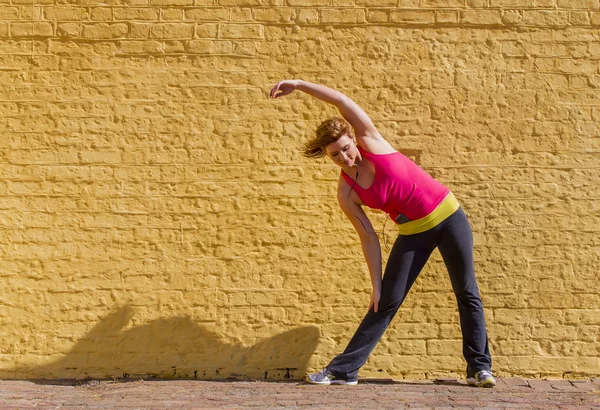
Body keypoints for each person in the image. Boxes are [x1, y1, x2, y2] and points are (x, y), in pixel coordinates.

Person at [269, 80, 495, 388]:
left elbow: (341, 99)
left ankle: (479, 369)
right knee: (385, 300)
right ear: (327, 156)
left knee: (466, 290)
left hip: (448, 216)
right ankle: (343, 371)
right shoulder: (347, 193)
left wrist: (298, 85)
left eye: (346, 149)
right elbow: (369, 238)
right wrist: (376, 285)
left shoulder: (371, 141)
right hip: (414, 233)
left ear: (353, 139)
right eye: (335, 155)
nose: (345, 158)